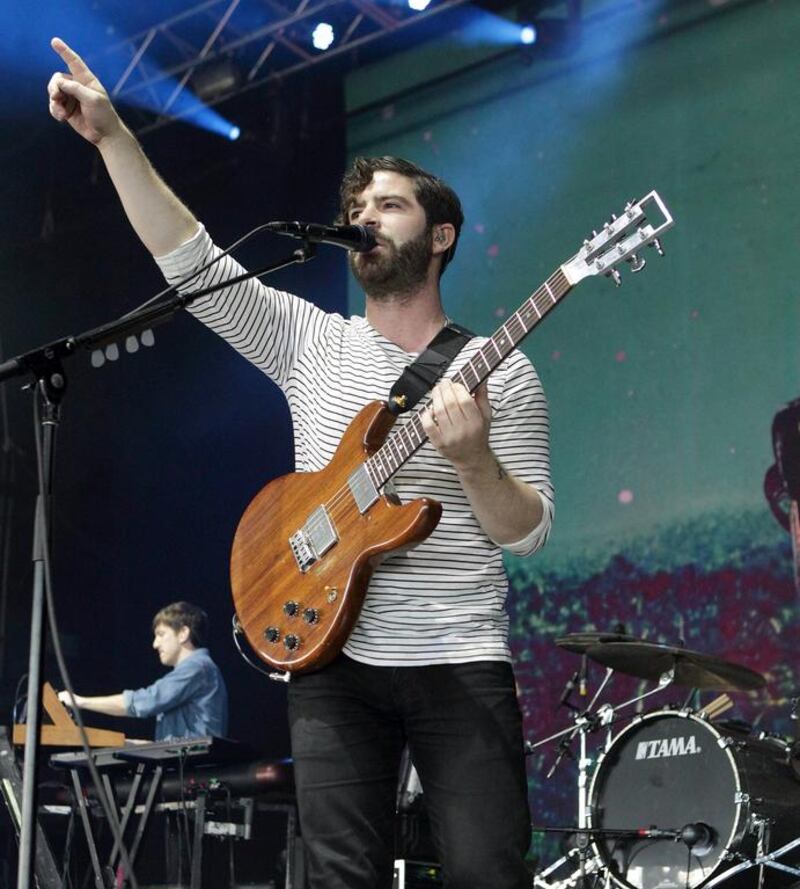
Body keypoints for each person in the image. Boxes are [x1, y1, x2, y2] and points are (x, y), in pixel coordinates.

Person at [47, 37, 554, 889]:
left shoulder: (503, 371)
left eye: (389, 204)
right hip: (331, 662)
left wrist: (471, 460)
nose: (365, 213)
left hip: (458, 660)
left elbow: (529, 531)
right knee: (335, 875)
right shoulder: (308, 340)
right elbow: (190, 258)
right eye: (358, 202)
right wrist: (113, 140)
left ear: (442, 235)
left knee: (485, 871)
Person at [58, 601, 228, 741]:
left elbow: (146, 701)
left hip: (194, 770)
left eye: (161, 634)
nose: (155, 644)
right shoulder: (198, 669)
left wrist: (80, 701)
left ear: (183, 633)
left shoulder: (197, 667)